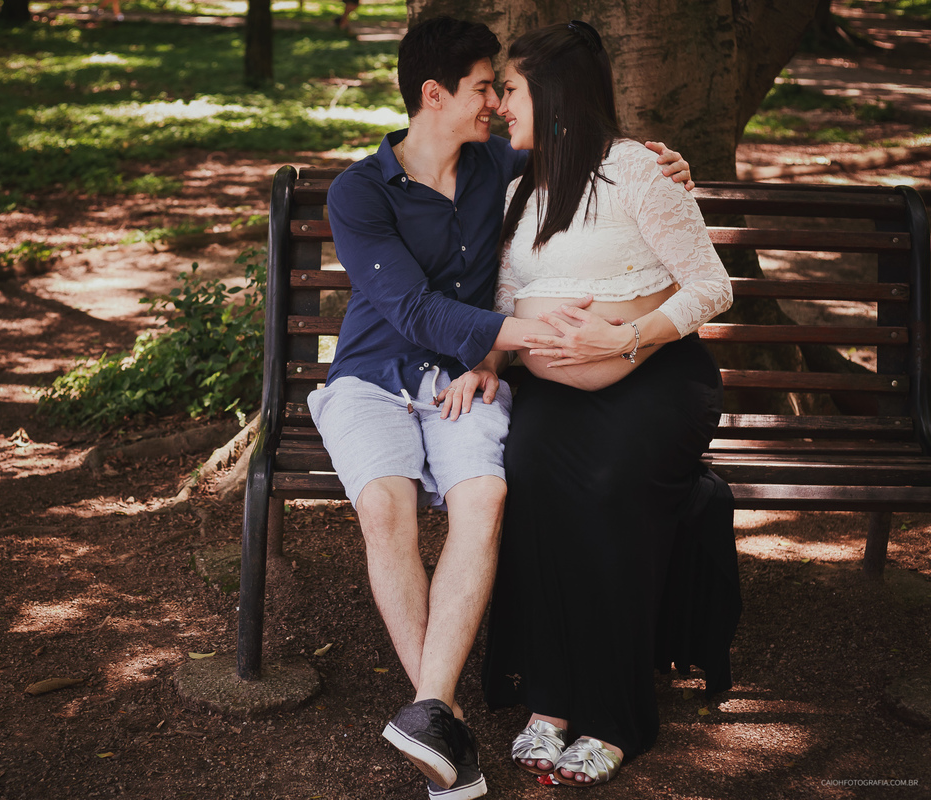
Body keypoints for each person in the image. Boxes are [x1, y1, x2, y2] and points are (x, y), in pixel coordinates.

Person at [310, 16, 693, 800]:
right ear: (433, 94)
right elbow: (411, 310)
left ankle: (428, 720)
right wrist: (518, 331)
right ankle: (440, 712)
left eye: (498, 88)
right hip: (374, 376)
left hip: (464, 380)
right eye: (484, 87)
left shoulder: (500, 166)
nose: (494, 101)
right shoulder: (358, 192)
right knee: (386, 508)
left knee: (483, 497)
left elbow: (590, 150)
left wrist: (668, 164)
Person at [444, 20, 741, 788]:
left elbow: (712, 286)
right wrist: (488, 359)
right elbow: (506, 302)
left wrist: (626, 339)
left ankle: (615, 714)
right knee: (530, 480)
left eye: (511, 90)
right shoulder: (518, 189)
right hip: (551, 390)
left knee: (607, 488)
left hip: (656, 382)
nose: (504, 105)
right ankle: (549, 699)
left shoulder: (639, 173)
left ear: (554, 93)